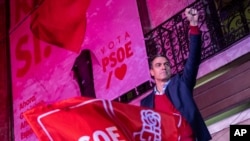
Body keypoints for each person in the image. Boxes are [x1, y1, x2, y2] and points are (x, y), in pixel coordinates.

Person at [140, 8, 212, 141]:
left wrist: (194, 26)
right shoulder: (145, 102)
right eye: (158, 65)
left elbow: (193, 59)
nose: (163, 67)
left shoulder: (181, 84)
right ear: (152, 73)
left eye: (166, 64)